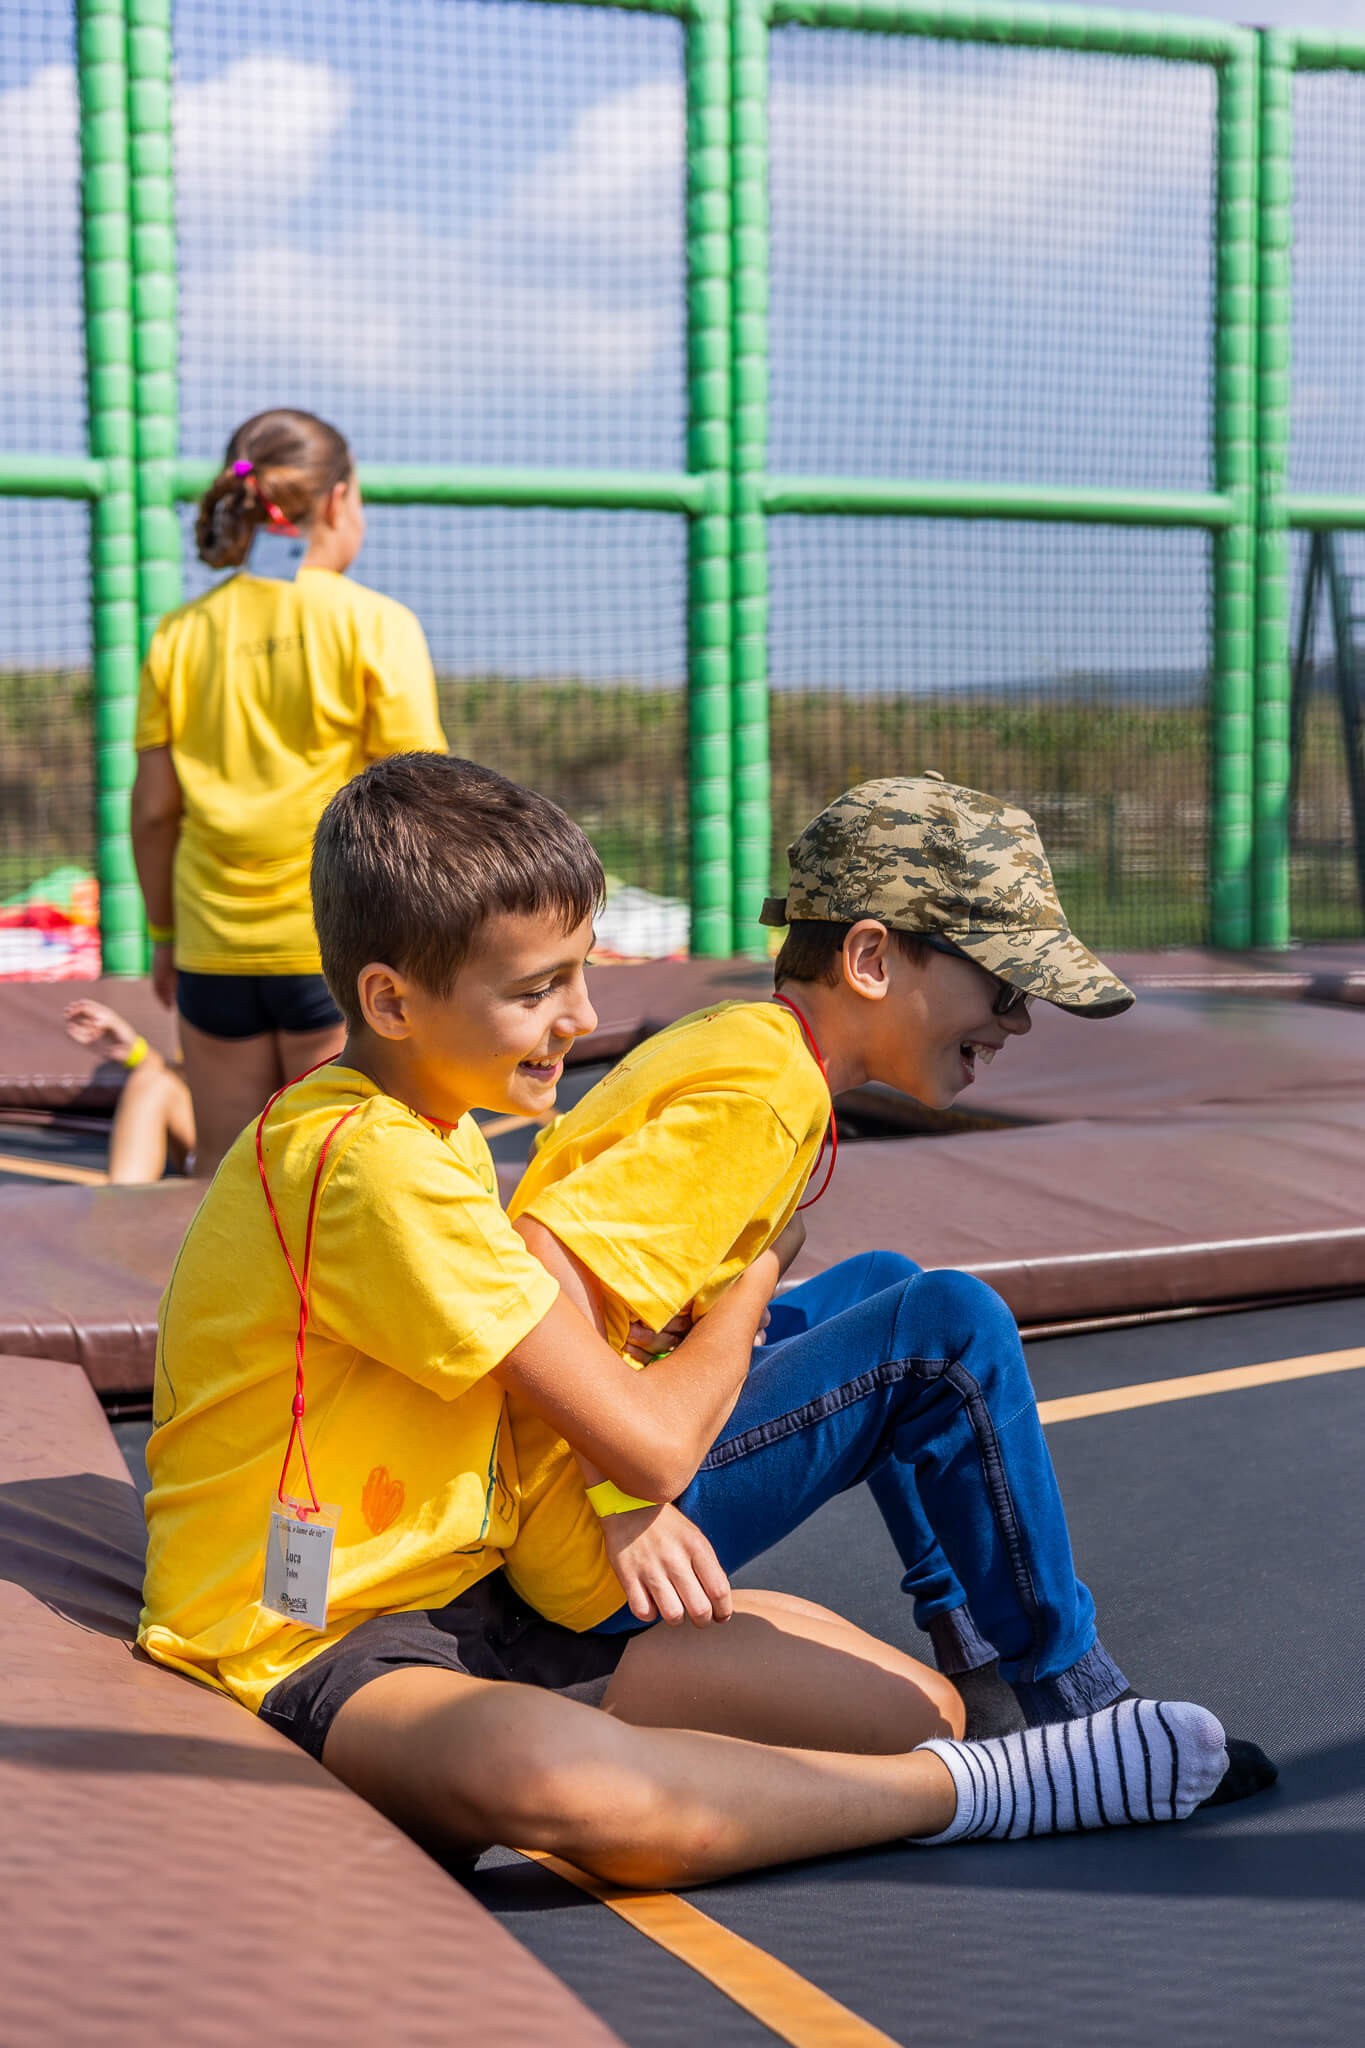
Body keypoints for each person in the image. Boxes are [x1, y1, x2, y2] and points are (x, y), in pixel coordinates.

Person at [139, 754, 1233, 1888]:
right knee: (570, 1783)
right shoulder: (368, 1164)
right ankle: (1022, 1774)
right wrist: (717, 1336)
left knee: (923, 1704)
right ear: (389, 1001)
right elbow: (628, 1398)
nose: (584, 1015)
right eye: (539, 989)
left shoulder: (441, 1128)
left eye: (582, 974)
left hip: (481, 1586)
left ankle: (972, 1703)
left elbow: (554, 1312)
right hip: (312, 1636)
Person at [507, 772, 1276, 1802]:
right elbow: (534, 1277)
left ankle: (974, 1651)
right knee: (948, 1327)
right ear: (871, 957)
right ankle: (1072, 1697)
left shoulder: (748, 1048)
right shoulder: (764, 1096)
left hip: (584, 1456)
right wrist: (615, 1498)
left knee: (885, 1284)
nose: (1019, 1020)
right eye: (1003, 986)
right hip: (580, 1518)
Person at [130, 407, 448, 1178]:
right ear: (337, 501)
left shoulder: (178, 633)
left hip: (212, 951)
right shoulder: (376, 624)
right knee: (337, 1182)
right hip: (339, 949)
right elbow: (418, 805)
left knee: (227, 1183)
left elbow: (153, 812)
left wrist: (167, 939)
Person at [63, 996, 195, 1182]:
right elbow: (182, 1085)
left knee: (155, 1082)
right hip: (215, 1154)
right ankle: (122, 1202)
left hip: (239, 1158)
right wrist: (138, 1054)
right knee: (153, 1083)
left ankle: (122, 1200)